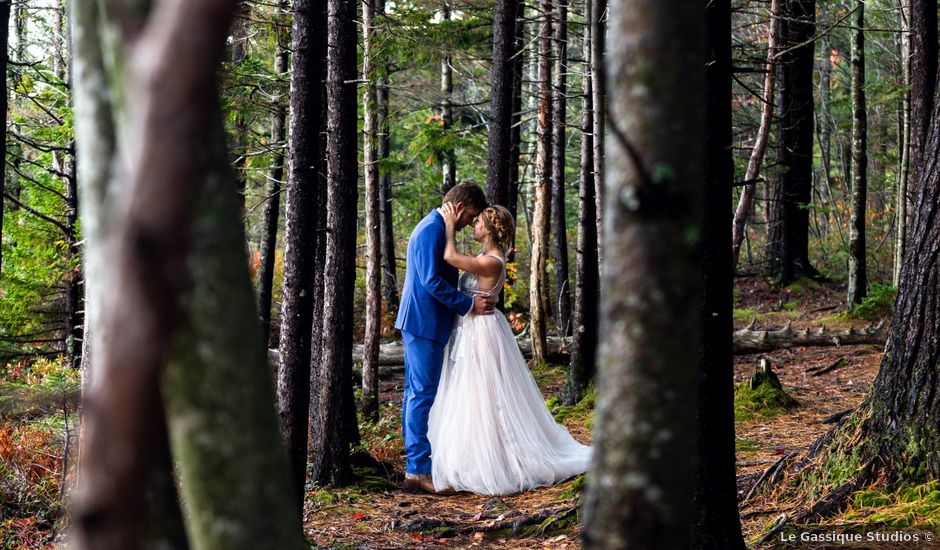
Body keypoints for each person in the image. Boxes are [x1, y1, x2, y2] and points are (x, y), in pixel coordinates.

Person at [428, 202, 592, 496]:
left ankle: (498, 458)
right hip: (473, 327)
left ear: (490, 229)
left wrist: (449, 224)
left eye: (478, 222)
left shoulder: (492, 261)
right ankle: (474, 452)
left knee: (486, 393)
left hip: (483, 331)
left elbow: (449, 256)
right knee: (471, 391)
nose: (474, 226)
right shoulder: (484, 256)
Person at [395, 181, 496, 494]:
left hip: (428, 322)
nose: (469, 223)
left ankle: (418, 464)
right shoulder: (432, 230)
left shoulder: (439, 227)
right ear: (462, 208)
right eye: (472, 216)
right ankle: (417, 470)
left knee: (418, 392)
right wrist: (467, 304)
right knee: (422, 393)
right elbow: (430, 281)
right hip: (423, 322)